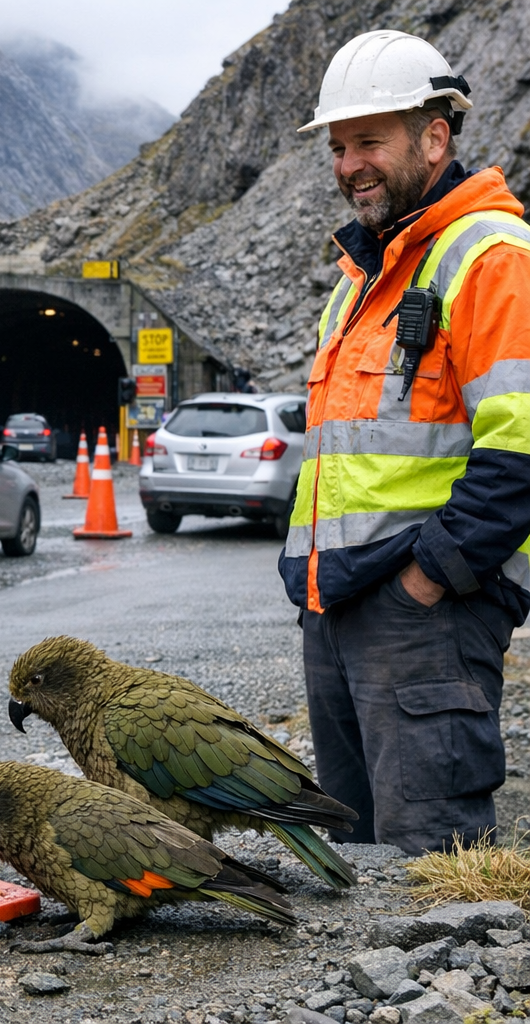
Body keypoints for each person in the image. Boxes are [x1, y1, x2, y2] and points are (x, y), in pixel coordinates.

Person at [279, 30, 530, 854]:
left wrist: (430, 581)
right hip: (339, 606)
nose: (350, 164)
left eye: (370, 141)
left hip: (422, 613)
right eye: (340, 146)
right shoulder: (364, 278)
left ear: (434, 136)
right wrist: (319, 585)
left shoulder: (490, 257)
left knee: (428, 864)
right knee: (355, 854)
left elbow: (520, 451)